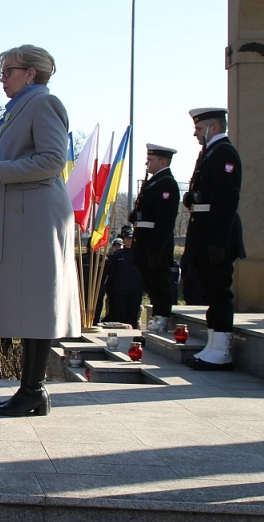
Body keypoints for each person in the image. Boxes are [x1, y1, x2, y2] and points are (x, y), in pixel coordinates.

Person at [0, 45, 81, 416]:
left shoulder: (43, 104)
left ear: (30, 73)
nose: (2, 79)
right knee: (27, 303)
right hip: (20, 213)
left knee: (36, 303)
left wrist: (1, 170)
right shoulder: (16, 109)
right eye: (1, 73)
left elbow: (53, 160)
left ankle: (33, 389)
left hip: (37, 216)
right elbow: (20, 162)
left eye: (8, 72)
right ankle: (31, 389)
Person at [183, 107, 244, 371]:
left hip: (217, 235)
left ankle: (222, 350)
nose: (195, 134)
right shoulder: (210, 154)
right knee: (210, 290)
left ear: (213, 127)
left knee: (219, 291)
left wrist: (218, 241)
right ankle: (213, 345)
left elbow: (226, 201)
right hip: (206, 233)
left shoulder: (224, 153)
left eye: (199, 128)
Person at [130, 144, 180, 332]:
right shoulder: (153, 182)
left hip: (154, 243)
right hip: (144, 241)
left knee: (160, 282)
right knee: (150, 282)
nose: (147, 163)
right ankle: (157, 316)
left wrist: (156, 248)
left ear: (163, 161)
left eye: (151, 160)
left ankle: (162, 317)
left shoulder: (166, 183)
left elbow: (165, 221)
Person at [103, 234, 144, 327]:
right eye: (127, 239)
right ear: (124, 240)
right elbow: (111, 273)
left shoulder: (140, 254)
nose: (129, 241)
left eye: (131, 239)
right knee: (120, 315)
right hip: (120, 291)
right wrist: (110, 290)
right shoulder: (118, 255)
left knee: (133, 316)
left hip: (135, 290)